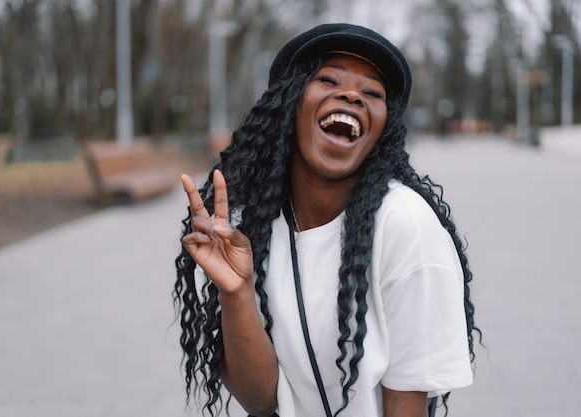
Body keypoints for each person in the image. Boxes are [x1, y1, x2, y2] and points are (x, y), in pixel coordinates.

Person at [174, 23, 480, 417]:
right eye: (329, 79)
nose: (352, 94)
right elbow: (261, 401)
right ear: (290, 103)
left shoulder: (405, 225)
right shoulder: (239, 230)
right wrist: (237, 293)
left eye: (373, 93)